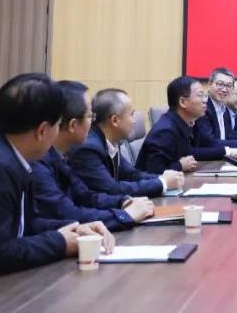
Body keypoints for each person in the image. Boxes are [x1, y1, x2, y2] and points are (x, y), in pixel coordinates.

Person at [0, 73, 112, 290]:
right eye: (57, 125)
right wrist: (60, 242)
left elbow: (23, 225)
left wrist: (72, 230)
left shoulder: (4, 152)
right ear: (42, 131)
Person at [33, 81, 154, 230]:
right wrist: (125, 215)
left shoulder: (57, 156)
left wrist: (123, 201)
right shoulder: (38, 162)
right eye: (90, 117)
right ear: (73, 125)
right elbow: (67, 214)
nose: (93, 124)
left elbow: (85, 195)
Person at [68, 88, 183, 197]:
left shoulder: (111, 141)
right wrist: (162, 183)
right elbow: (111, 189)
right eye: (131, 114)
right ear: (115, 120)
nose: (134, 121)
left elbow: (131, 174)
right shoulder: (88, 148)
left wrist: (162, 178)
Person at [136, 76, 237, 175]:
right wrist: (180, 165)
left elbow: (190, 152)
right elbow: (153, 173)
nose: (205, 100)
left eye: (204, 96)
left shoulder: (182, 123)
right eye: (200, 95)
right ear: (183, 102)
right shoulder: (165, 131)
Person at [193, 68, 237, 153]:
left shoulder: (224, 109)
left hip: (221, 156)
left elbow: (227, 137)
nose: (224, 89)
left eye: (229, 86)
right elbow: (209, 143)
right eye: (220, 84)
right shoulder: (203, 107)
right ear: (209, 84)